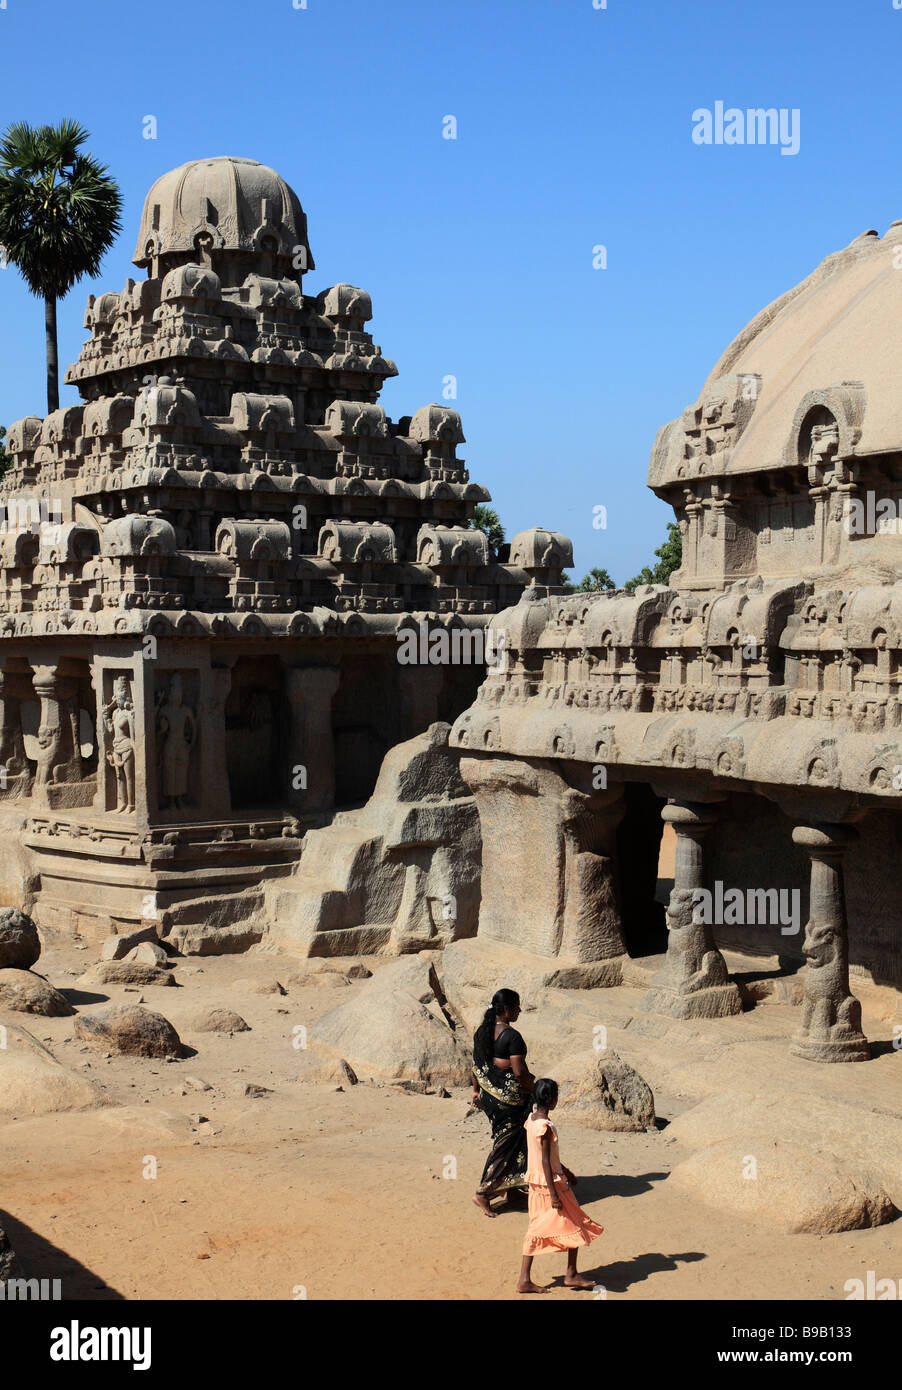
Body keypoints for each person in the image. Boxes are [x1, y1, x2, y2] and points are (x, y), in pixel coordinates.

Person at [517, 1077, 603, 1293]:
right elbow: (545, 1161)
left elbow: (544, 1157)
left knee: (540, 1226)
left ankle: (527, 1278)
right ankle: (570, 1274)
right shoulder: (544, 1127)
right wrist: (555, 1194)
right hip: (550, 1185)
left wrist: (565, 1170)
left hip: (538, 1184)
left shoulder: (531, 1120)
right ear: (551, 1100)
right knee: (574, 1223)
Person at [471, 988, 534, 1217]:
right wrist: (534, 1089)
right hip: (510, 1103)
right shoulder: (512, 1036)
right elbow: (519, 1072)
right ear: (506, 1009)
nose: (519, 1010)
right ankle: (484, 1192)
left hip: (489, 1098)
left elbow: (477, 1067)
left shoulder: (481, 1032)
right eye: (517, 1006)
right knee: (506, 1145)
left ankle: (513, 1188)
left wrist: (476, 1093)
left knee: (515, 1141)